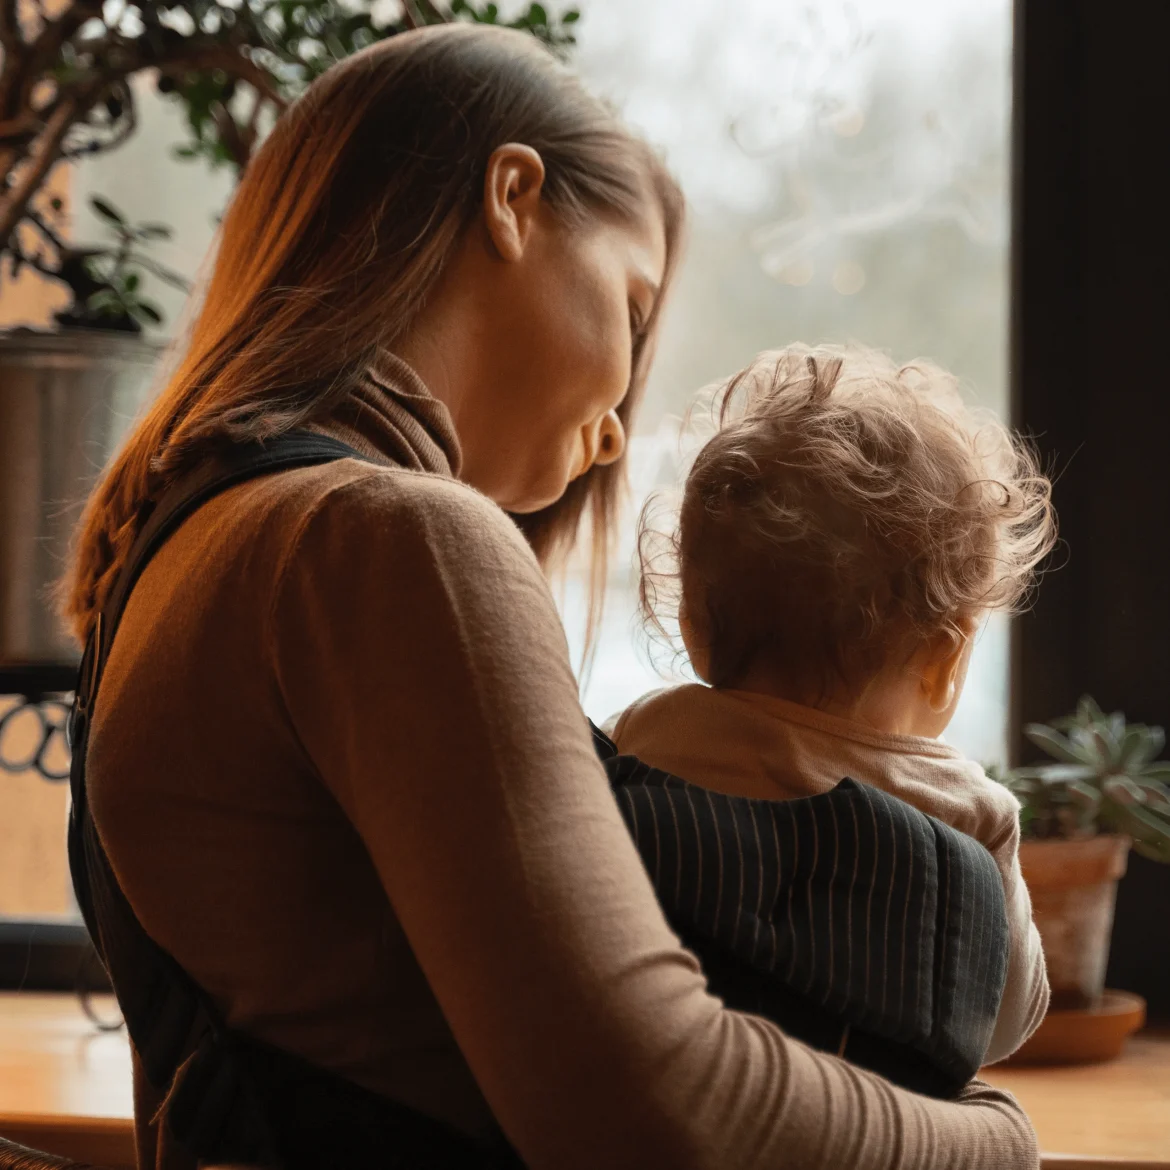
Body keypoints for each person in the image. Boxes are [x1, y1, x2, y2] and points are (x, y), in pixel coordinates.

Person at [60, 26, 1039, 1170]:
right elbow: (654, 1102)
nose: (621, 419)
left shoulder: (182, 544)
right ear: (514, 197)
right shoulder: (387, 538)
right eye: (631, 307)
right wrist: (993, 1144)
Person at [608, 345, 1054, 1090]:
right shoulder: (968, 813)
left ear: (692, 624)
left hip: (670, 1103)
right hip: (868, 1131)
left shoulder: (645, 737)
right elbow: (1002, 1024)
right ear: (943, 660)